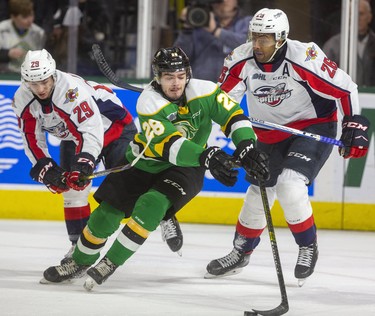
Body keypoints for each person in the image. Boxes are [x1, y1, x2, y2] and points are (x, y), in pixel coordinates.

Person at [41, 46, 270, 289]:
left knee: (151, 205)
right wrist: (209, 155)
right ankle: (79, 261)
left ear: (188, 75)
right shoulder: (149, 102)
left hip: (187, 168)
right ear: (157, 77)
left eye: (181, 76)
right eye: (169, 77)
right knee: (105, 216)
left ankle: (111, 262)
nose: (176, 83)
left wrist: (247, 146)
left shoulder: (206, 92)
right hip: (144, 161)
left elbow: (233, 115)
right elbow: (170, 145)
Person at [205, 8, 370, 285]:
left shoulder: (304, 57)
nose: (257, 45)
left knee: (290, 185)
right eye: (255, 37)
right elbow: (221, 102)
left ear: (281, 38)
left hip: (312, 126)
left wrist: (353, 122)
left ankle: (307, 246)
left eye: (266, 39)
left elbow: (344, 89)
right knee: (259, 193)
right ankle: (240, 252)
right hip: (270, 133)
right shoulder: (240, 59)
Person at [11, 48, 139, 266]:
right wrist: (45, 167)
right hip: (74, 136)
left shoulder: (70, 92)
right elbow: (31, 138)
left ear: (53, 75)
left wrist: (84, 164)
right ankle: (79, 249)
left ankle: (167, 215)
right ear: (25, 81)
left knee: (131, 187)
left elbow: (91, 130)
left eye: (44, 81)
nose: (40, 89)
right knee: (71, 190)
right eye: (34, 83)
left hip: (114, 127)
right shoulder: (22, 98)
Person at [173, 0, 251, 81]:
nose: (224, 1)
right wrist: (187, 29)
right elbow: (179, 57)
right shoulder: (199, 21)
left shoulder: (247, 22)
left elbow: (248, 46)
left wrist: (216, 31)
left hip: (233, 88)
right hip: (200, 87)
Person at [323, 0, 375, 86]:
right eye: (352, 14)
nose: (356, 18)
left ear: (369, 17)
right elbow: (323, 76)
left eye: (361, 14)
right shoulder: (333, 45)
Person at [0, 0, 45, 73]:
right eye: (24, 17)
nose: (29, 20)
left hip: (30, 76)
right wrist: (8, 53)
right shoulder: (2, 29)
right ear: (13, 17)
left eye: (31, 15)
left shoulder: (39, 33)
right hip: (5, 76)